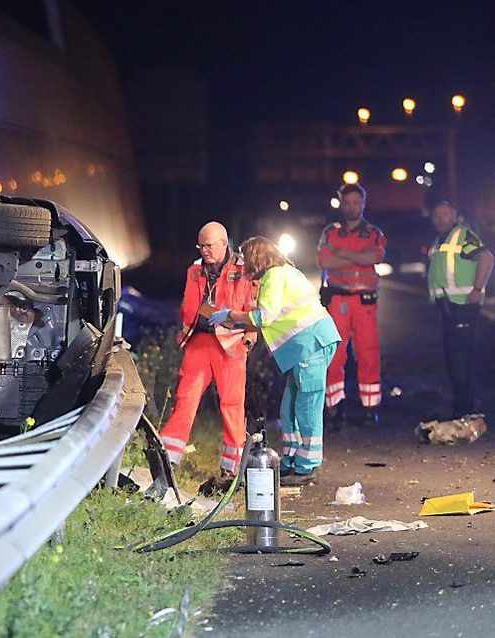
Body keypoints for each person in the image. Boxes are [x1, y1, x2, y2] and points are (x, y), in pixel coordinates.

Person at [210, 236, 340, 486]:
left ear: (256, 257)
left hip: (310, 345)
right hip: (308, 345)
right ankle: (291, 460)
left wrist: (231, 315)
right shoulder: (284, 273)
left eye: (245, 257)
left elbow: (265, 317)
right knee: (289, 406)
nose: (243, 263)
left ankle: (307, 467)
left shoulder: (275, 277)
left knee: (306, 406)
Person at [160, 221, 259, 491]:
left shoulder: (244, 269)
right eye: (201, 245)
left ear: (224, 243)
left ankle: (232, 469)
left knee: (232, 405)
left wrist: (249, 340)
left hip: (231, 345)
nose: (204, 250)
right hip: (199, 343)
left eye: (209, 245)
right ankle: (167, 460)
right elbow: (190, 308)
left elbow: (252, 308)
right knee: (185, 399)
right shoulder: (194, 270)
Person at [317, 182, 386, 427]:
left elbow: (376, 257)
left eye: (356, 202)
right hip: (338, 300)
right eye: (347, 202)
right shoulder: (330, 232)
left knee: (369, 353)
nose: (351, 207)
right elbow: (325, 259)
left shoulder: (374, 232)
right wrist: (359, 258)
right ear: (341, 205)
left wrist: (342, 254)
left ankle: (370, 409)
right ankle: (335, 407)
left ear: (363, 204)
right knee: (334, 354)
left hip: (365, 302)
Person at [426, 201, 493, 418]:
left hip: (464, 306)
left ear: (455, 215)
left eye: (445, 214)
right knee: (452, 359)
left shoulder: (463, 235)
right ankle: (461, 407)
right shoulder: (438, 241)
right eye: (436, 215)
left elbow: (486, 257)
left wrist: (477, 288)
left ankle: (464, 409)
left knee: (462, 360)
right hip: (447, 308)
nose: (440, 218)